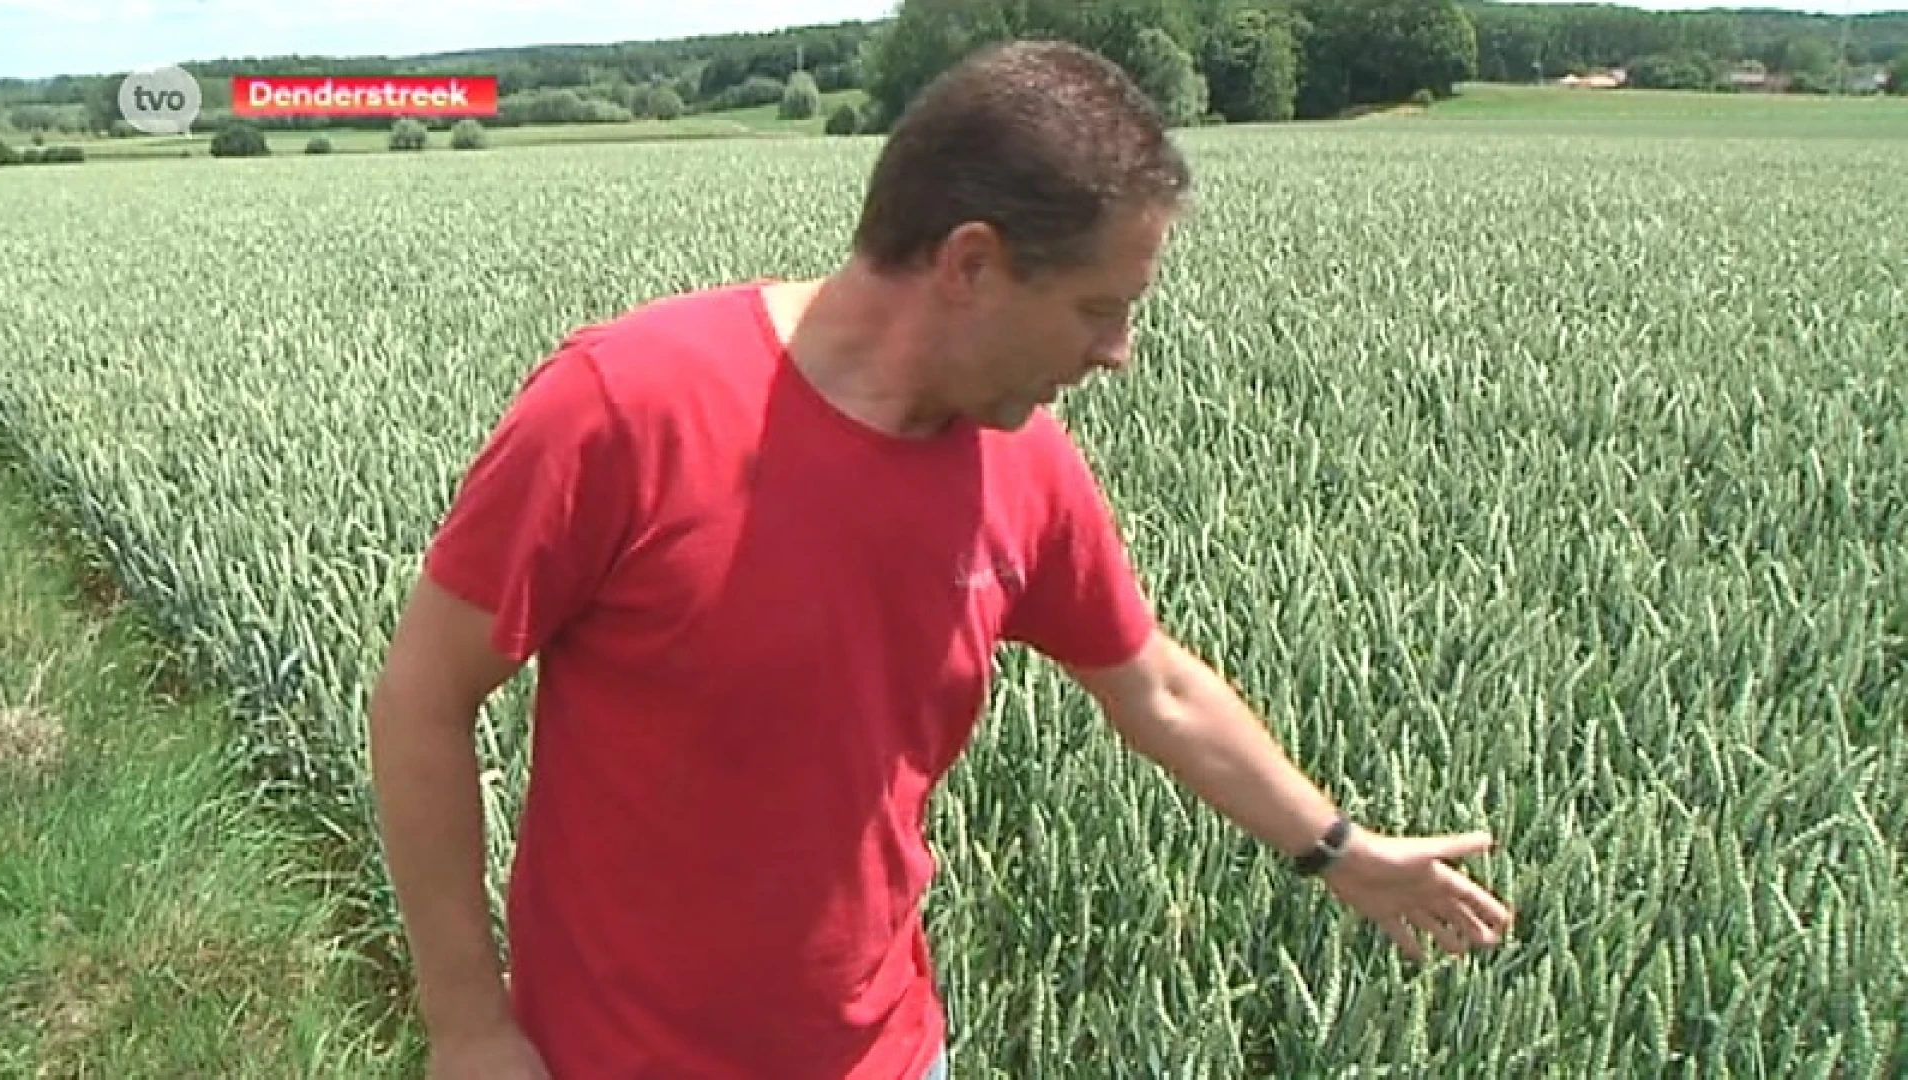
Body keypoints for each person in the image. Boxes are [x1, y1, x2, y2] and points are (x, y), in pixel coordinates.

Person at [365, 38, 1514, 1080]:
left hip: (892, 1056)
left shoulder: (1025, 466)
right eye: (1097, 310)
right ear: (970, 263)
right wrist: (470, 1028)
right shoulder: (627, 408)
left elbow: (1152, 683)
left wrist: (1341, 852)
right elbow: (422, 698)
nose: (1119, 354)